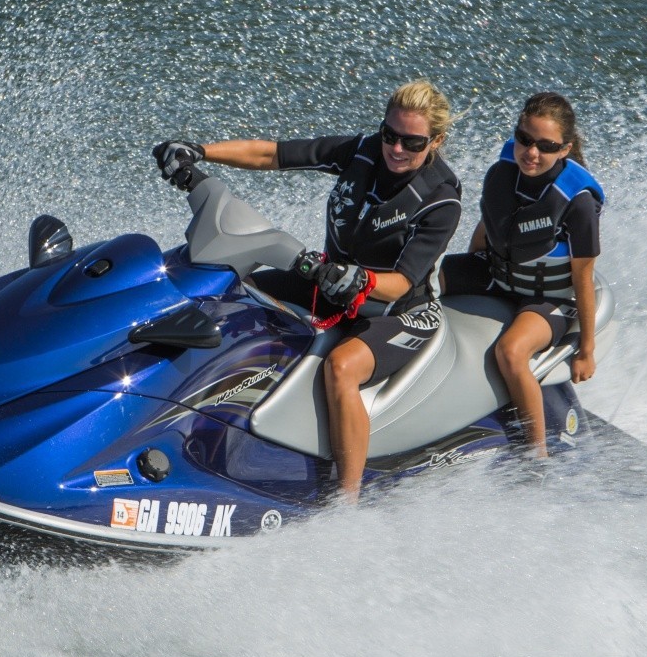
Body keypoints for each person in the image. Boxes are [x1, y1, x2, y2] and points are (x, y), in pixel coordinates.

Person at [151, 80, 462, 502]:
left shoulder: (440, 200)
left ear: (436, 140)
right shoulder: (362, 151)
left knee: (342, 367)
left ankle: (346, 501)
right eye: (390, 135)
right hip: (328, 281)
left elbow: (402, 283)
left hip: (397, 310)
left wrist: (361, 280)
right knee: (230, 294)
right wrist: (199, 152)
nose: (397, 148)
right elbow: (273, 154)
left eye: (412, 141)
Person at [440, 92, 604, 457]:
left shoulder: (577, 201)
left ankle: (536, 456)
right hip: (499, 277)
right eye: (525, 139)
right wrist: (468, 273)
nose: (531, 152)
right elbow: (489, 225)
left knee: (511, 352)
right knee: (416, 282)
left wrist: (586, 350)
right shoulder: (502, 172)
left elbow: (583, 277)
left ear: (564, 149)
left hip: (550, 298)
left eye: (546, 146)